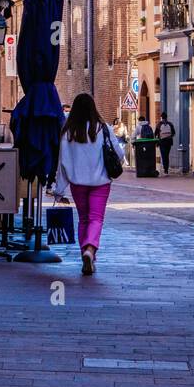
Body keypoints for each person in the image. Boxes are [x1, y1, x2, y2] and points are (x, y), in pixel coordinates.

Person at [52, 93, 125, 275]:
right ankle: (90, 250)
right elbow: (119, 154)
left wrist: (59, 189)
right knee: (96, 218)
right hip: (100, 182)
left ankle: (85, 250)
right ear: (93, 108)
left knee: (84, 218)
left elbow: (63, 162)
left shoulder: (68, 132)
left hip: (78, 183)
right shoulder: (103, 128)